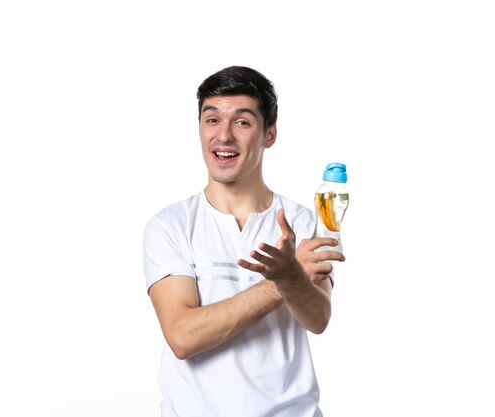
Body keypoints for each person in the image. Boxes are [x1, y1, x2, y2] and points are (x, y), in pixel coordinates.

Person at [143, 65, 345, 417]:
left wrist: (292, 278)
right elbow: (183, 336)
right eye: (211, 120)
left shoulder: (301, 222)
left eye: (242, 122)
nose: (223, 136)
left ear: (269, 134)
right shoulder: (170, 226)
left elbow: (318, 318)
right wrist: (282, 280)